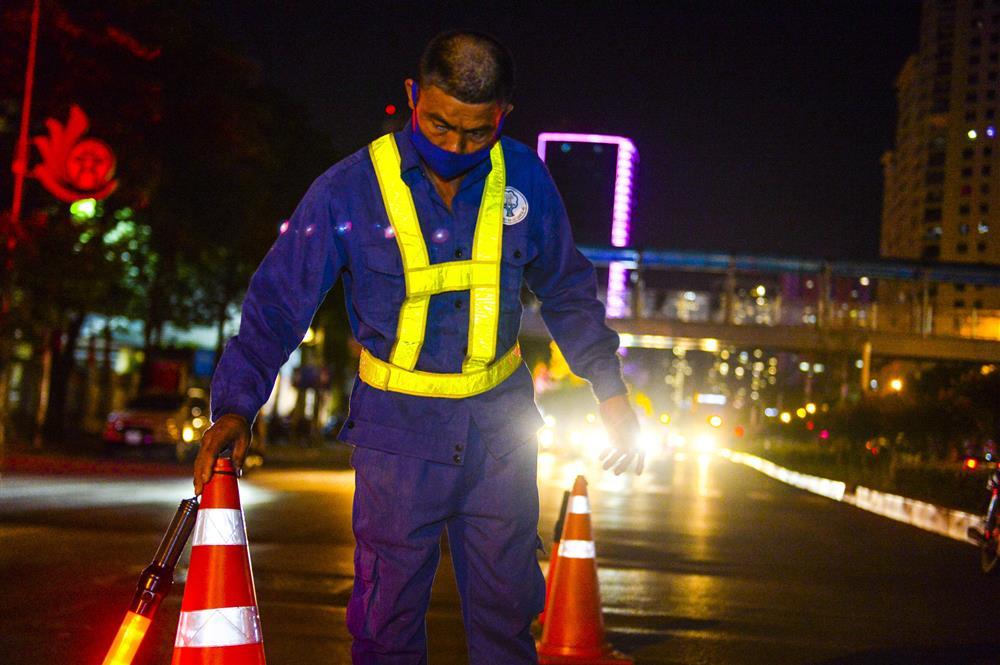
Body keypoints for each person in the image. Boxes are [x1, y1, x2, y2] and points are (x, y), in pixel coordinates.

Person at [194, 30, 643, 664]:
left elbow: (570, 291)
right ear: (412, 97)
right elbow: (278, 304)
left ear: (503, 116)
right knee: (387, 623)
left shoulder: (527, 183)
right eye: (439, 125)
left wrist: (613, 394)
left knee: (507, 614)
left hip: (501, 435)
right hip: (397, 438)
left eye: (475, 133)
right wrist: (236, 407)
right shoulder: (347, 191)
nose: (455, 146)